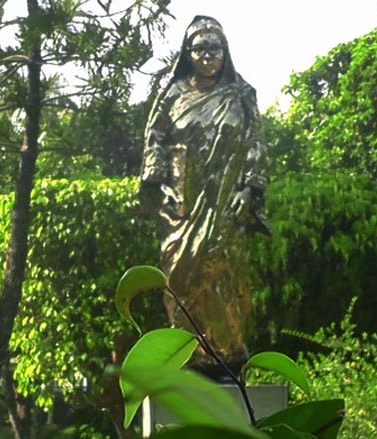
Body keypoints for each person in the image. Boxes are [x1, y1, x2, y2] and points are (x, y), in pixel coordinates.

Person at [139, 15, 269, 365]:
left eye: (215, 49)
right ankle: (187, 353)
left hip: (227, 202)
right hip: (182, 203)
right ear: (188, 53)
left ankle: (227, 352)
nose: (208, 56)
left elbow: (255, 141)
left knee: (225, 273)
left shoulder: (241, 94)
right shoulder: (172, 95)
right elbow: (155, 137)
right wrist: (159, 184)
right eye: (200, 49)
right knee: (180, 272)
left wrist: (250, 190)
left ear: (225, 52)